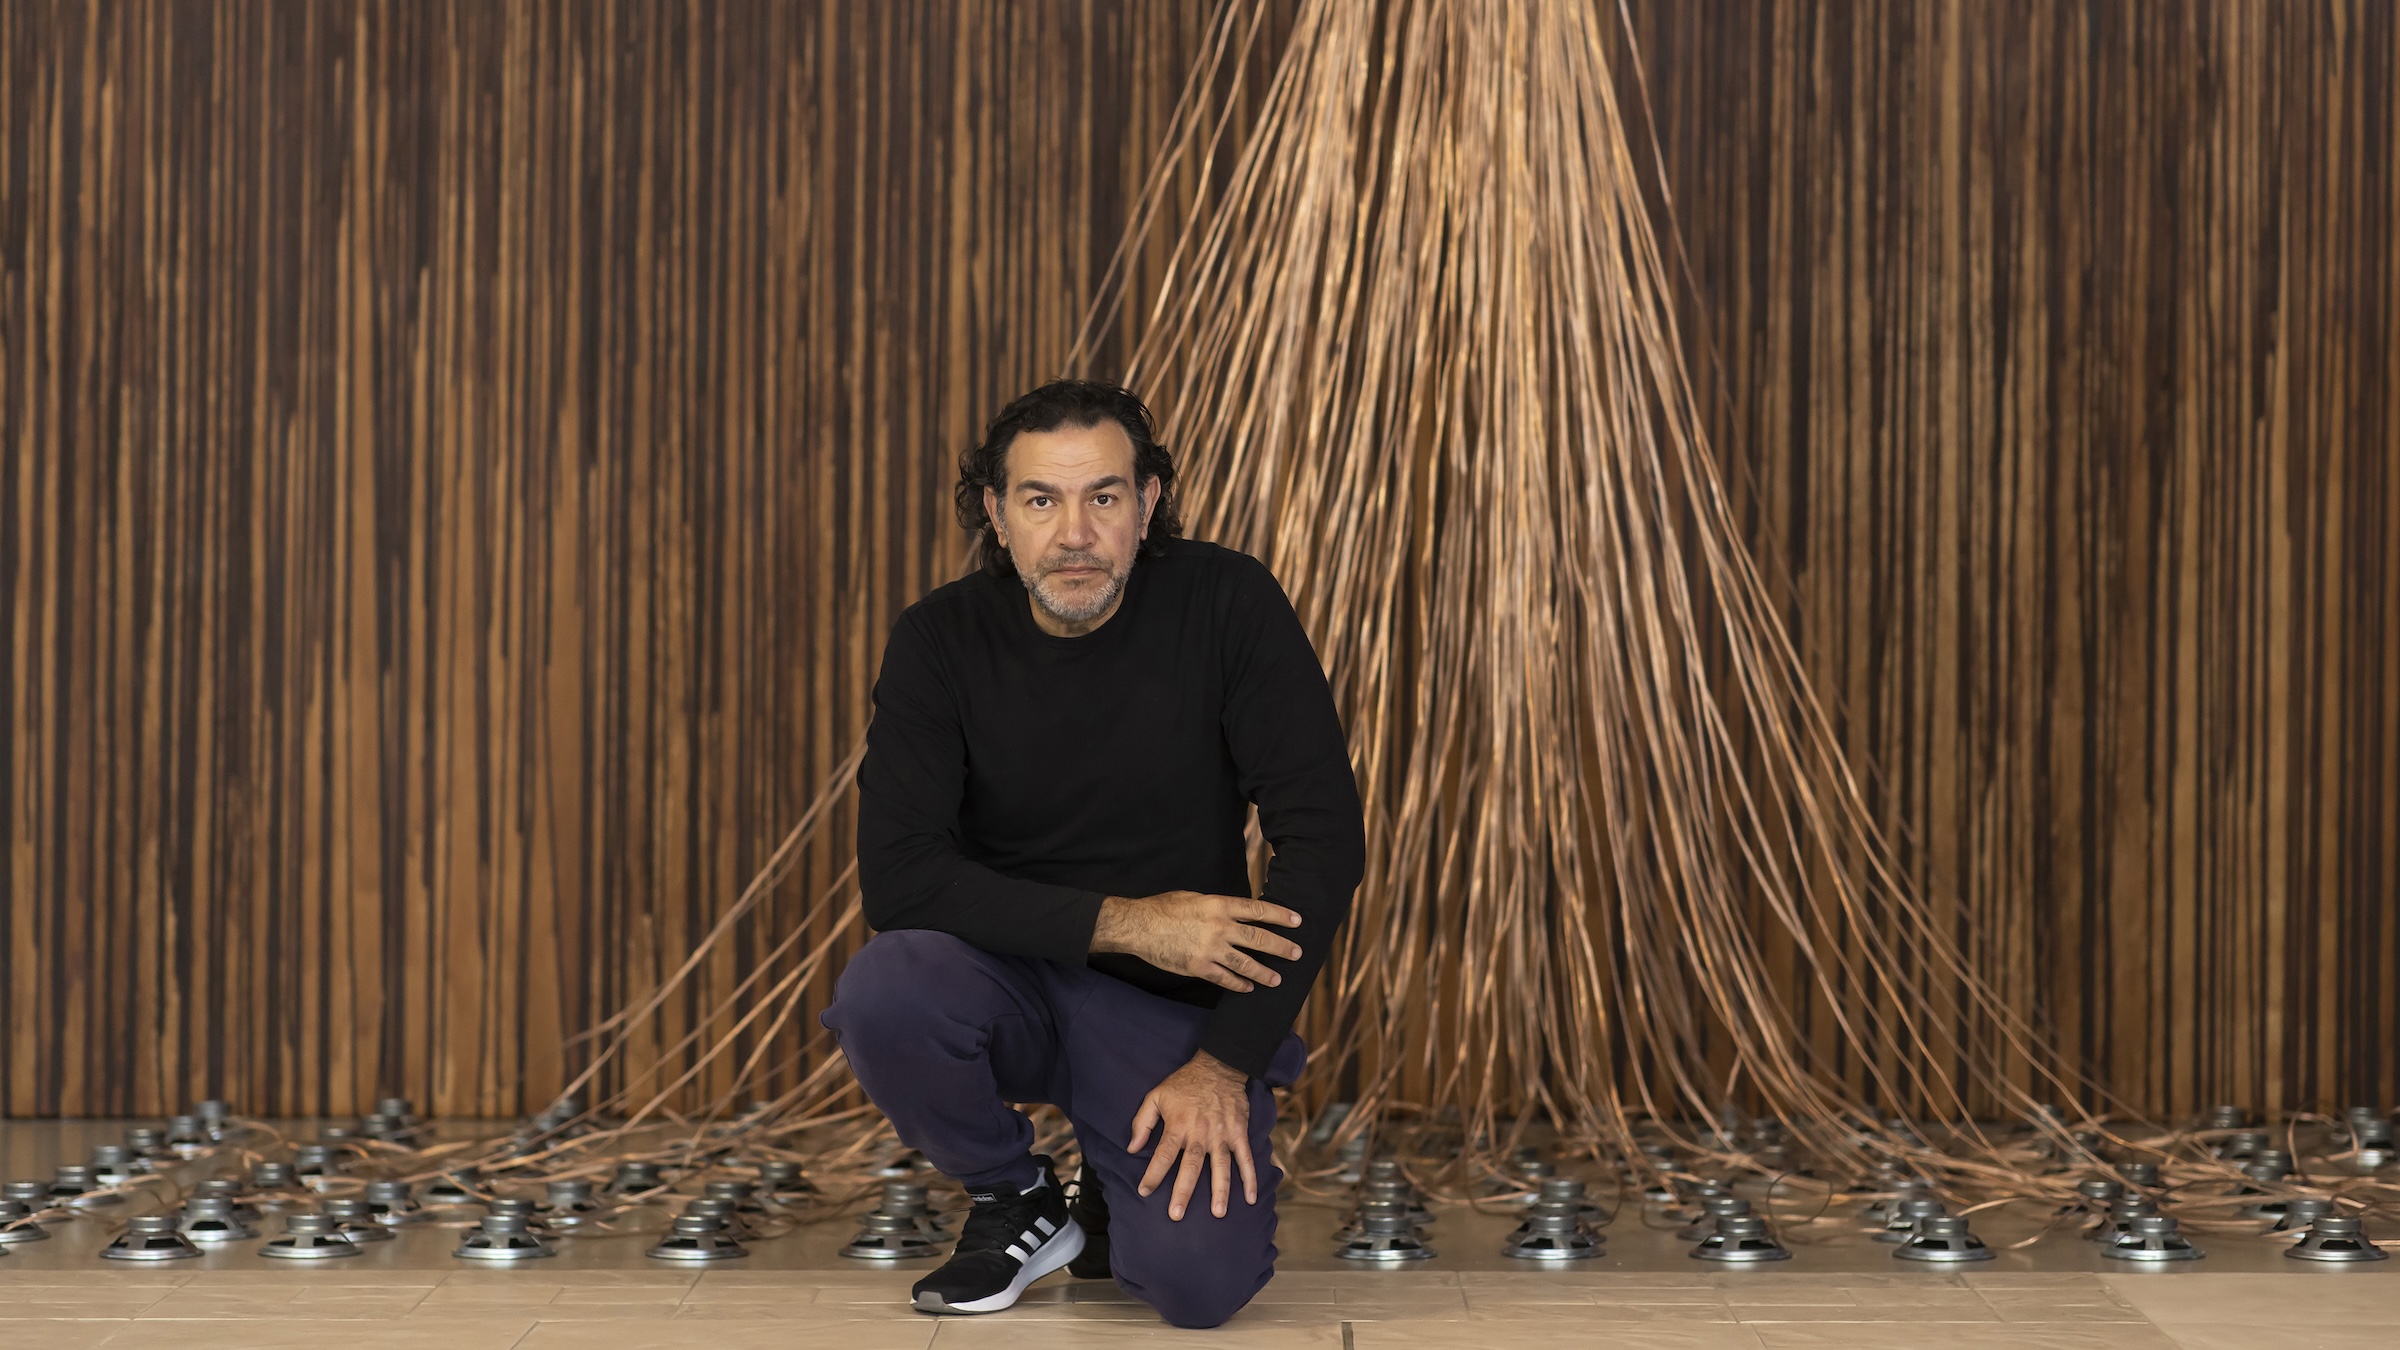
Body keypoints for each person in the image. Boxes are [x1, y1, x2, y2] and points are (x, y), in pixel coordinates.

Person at [820, 379, 1365, 1327]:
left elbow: (1324, 842)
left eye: (1103, 497)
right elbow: (900, 876)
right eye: (1041, 500)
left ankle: (1116, 1192)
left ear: (1147, 504)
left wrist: (1225, 1066)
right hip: (1005, 986)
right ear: (997, 514)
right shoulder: (939, 641)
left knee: (1197, 1289)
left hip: (1173, 1025)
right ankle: (1016, 1197)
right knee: (887, 986)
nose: (1074, 533)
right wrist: (1132, 924)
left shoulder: (1228, 603)